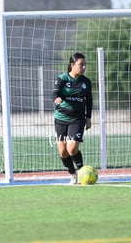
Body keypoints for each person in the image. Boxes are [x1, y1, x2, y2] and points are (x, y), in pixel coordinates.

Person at [52, 52, 93, 184]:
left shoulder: (86, 82)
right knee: (63, 152)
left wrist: (88, 117)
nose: (84, 67)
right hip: (61, 118)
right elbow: (54, 92)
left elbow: (89, 100)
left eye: (85, 65)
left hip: (77, 119)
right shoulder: (63, 79)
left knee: (72, 149)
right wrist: (56, 99)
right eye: (81, 65)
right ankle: (72, 174)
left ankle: (82, 172)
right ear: (72, 65)